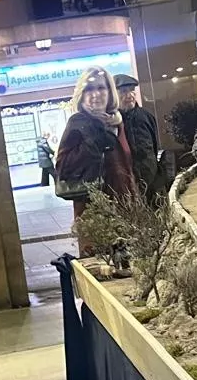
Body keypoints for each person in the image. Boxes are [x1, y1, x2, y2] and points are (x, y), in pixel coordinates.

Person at [55, 66, 136, 253]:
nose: (96, 94)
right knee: (100, 266)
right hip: (94, 214)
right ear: (81, 95)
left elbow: (126, 167)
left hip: (124, 210)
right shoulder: (78, 123)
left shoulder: (117, 123)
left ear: (110, 91)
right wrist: (93, 142)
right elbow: (63, 167)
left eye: (101, 88)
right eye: (89, 89)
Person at [116, 74, 160, 203]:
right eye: (123, 91)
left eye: (132, 90)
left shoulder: (146, 116)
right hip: (124, 186)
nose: (130, 95)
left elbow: (155, 147)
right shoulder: (111, 121)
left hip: (150, 181)